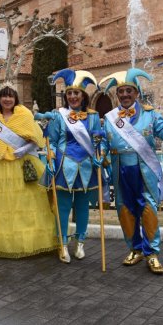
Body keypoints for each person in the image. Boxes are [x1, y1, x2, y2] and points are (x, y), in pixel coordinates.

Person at [99, 68, 163, 275]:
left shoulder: (151, 114)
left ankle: (152, 253)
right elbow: (103, 141)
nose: (125, 95)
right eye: (121, 92)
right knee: (125, 212)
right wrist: (101, 154)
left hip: (144, 171)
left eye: (129, 91)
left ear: (136, 93)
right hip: (120, 172)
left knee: (148, 211)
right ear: (117, 95)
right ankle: (135, 249)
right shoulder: (109, 119)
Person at [0, 84, 57, 258]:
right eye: (4, 96)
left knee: (24, 206)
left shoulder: (24, 114)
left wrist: (25, 149)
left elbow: (36, 138)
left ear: (15, 98)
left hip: (21, 164)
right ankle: (1, 242)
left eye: (11, 96)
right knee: (0, 207)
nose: (7, 99)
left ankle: (27, 241)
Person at [34, 69, 105, 263]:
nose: (73, 97)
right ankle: (63, 244)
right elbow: (53, 141)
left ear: (83, 96)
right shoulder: (59, 116)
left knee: (83, 207)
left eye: (76, 93)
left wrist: (102, 154)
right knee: (63, 207)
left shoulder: (93, 116)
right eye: (70, 93)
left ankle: (80, 243)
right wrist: (50, 157)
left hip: (87, 167)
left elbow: (100, 140)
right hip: (64, 166)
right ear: (66, 96)